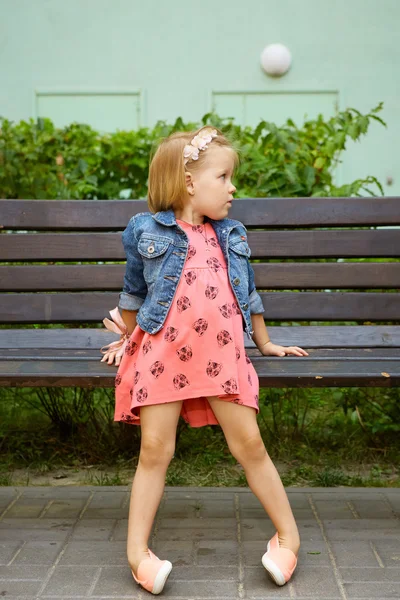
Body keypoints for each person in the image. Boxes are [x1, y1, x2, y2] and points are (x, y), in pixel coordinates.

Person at [100, 126, 309, 595]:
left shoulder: (230, 234)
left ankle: (288, 537)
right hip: (163, 356)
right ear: (189, 182)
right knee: (155, 451)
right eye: (224, 176)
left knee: (250, 445)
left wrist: (266, 344)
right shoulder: (146, 231)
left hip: (223, 358)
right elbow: (134, 292)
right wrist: (127, 340)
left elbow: (248, 296)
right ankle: (138, 554)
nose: (233, 187)